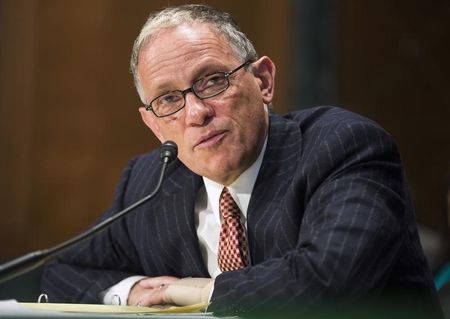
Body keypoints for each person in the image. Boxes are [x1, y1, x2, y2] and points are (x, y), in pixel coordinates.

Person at [41, 4, 442, 317]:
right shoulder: (149, 182)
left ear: (263, 81)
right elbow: (62, 273)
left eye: (213, 80)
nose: (195, 112)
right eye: (168, 99)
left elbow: (328, 282)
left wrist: (195, 291)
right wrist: (131, 292)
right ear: (154, 124)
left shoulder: (341, 147)